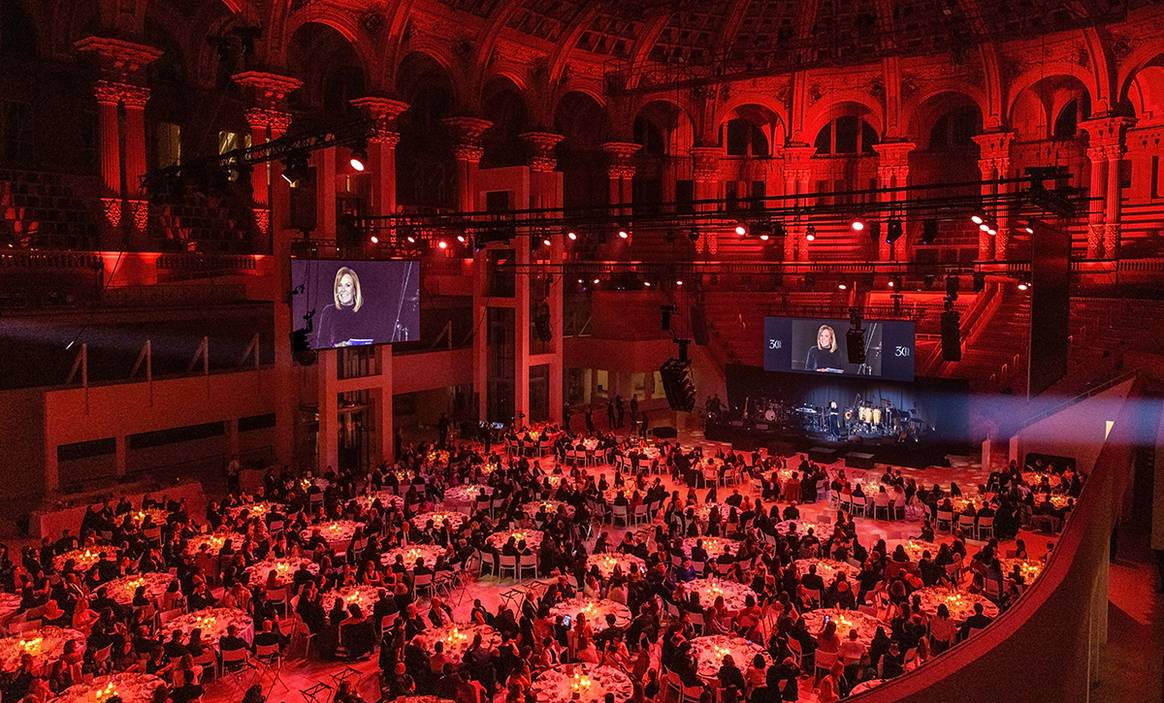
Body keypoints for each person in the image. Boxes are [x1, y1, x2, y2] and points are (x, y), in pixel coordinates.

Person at [314, 266, 375, 348]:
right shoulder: (328, 311)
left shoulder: (366, 312)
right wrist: (335, 346)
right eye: (340, 285)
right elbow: (320, 344)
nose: (343, 290)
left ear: (354, 290)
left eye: (348, 285)